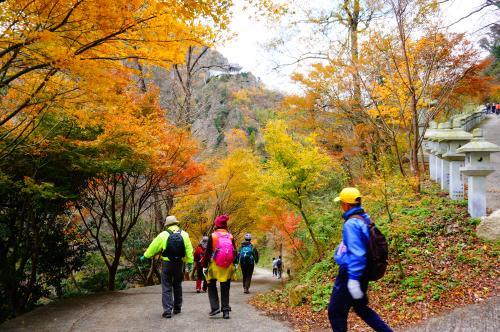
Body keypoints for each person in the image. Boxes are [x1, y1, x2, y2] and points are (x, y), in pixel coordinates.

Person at [328, 188, 392, 332]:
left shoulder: (351, 224)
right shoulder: (364, 218)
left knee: (335, 312)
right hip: (363, 273)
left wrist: (353, 280)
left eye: (342, 203)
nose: (341, 206)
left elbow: (357, 254)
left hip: (350, 275)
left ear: (346, 204)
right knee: (361, 308)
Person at [141, 215, 194, 319]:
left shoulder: (163, 235)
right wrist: (190, 263)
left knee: (166, 286)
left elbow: (153, 247)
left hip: (167, 264)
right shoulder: (184, 234)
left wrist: (145, 255)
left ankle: (167, 311)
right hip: (179, 263)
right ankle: (177, 308)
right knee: (177, 285)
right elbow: (189, 250)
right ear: (176, 223)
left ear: (167, 225)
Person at [203, 214, 238, 319]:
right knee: (225, 287)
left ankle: (215, 308)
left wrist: (204, 266)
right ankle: (226, 311)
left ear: (216, 225)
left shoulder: (213, 236)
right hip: (227, 266)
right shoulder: (230, 236)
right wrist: (235, 264)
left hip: (215, 265)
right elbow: (235, 251)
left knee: (211, 284)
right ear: (225, 225)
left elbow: (208, 253)